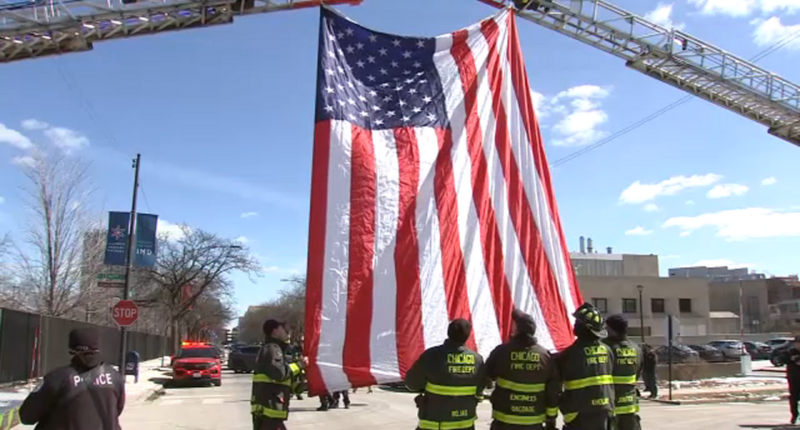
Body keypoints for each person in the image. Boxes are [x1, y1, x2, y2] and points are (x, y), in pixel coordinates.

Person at [19, 327, 125, 430]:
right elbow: (117, 410)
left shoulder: (57, 378)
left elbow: (27, 416)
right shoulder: (115, 377)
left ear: (72, 350)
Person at [484, 309, 560, 430]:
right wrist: (551, 418)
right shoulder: (546, 356)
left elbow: (486, 377)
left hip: (504, 421)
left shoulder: (501, 352)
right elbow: (553, 391)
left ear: (517, 330)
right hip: (533, 423)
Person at [405, 318, 486, 430]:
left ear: (448, 333)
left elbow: (411, 384)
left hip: (433, 425)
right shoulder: (477, 360)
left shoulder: (431, 356)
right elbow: (481, 389)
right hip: (465, 424)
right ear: (467, 336)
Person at [557, 303, 615, 430]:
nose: (574, 325)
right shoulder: (607, 350)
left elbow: (555, 386)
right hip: (605, 408)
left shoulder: (569, 354)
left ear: (585, 328)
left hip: (579, 412)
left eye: (578, 322)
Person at [252, 319, 307, 430]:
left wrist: (300, 384)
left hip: (270, 411)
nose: (287, 332)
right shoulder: (272, 349)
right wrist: (299, 365)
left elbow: (284, 380)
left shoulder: (276, 349)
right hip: (269, 410)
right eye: (283, 329)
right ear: (275, 331)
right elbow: (279, 374)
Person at [605, 315, 642, 430]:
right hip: (630, 404)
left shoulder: (605, 347)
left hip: (610, 403)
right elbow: (638, 373)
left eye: (607, 328)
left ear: (612, 330)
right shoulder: (636, 348)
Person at [786, 335, 800, 424]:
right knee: (794, 398)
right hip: (794, 379)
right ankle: (794, 416)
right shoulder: (790, 352)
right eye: (797, 343)